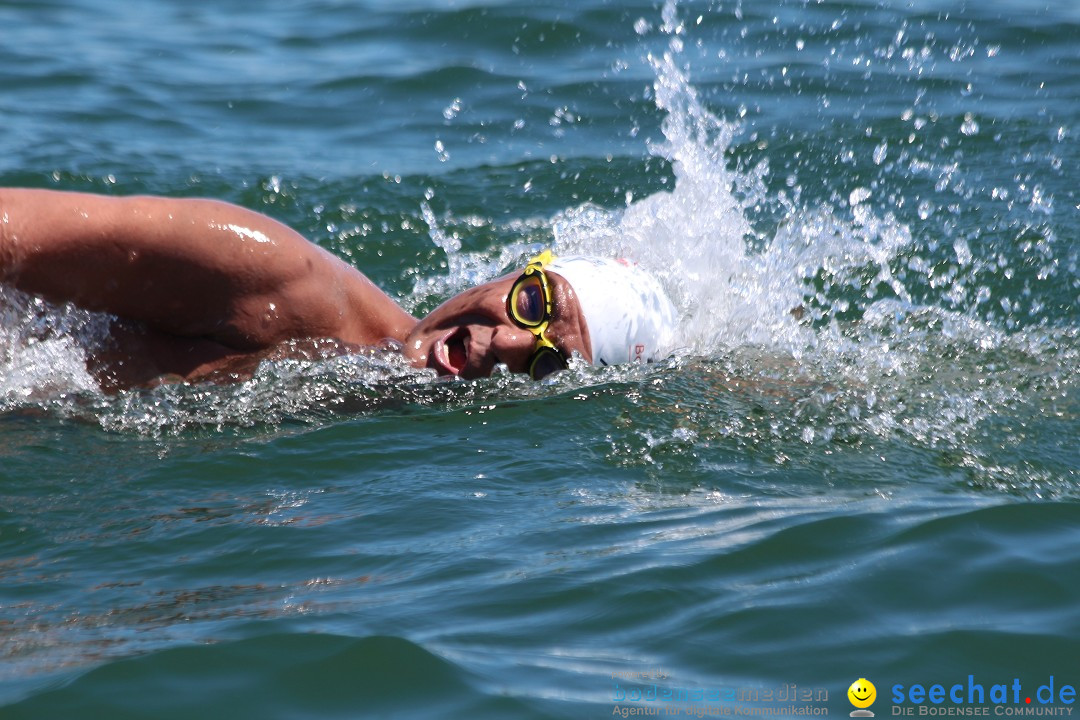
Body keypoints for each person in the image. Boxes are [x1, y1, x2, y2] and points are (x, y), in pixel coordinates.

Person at [0, 187, 676, 390]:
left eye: (545, 362)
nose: (499, 342)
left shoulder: (359, 405)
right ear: (518, 269)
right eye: (531, 303)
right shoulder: (278, 281)